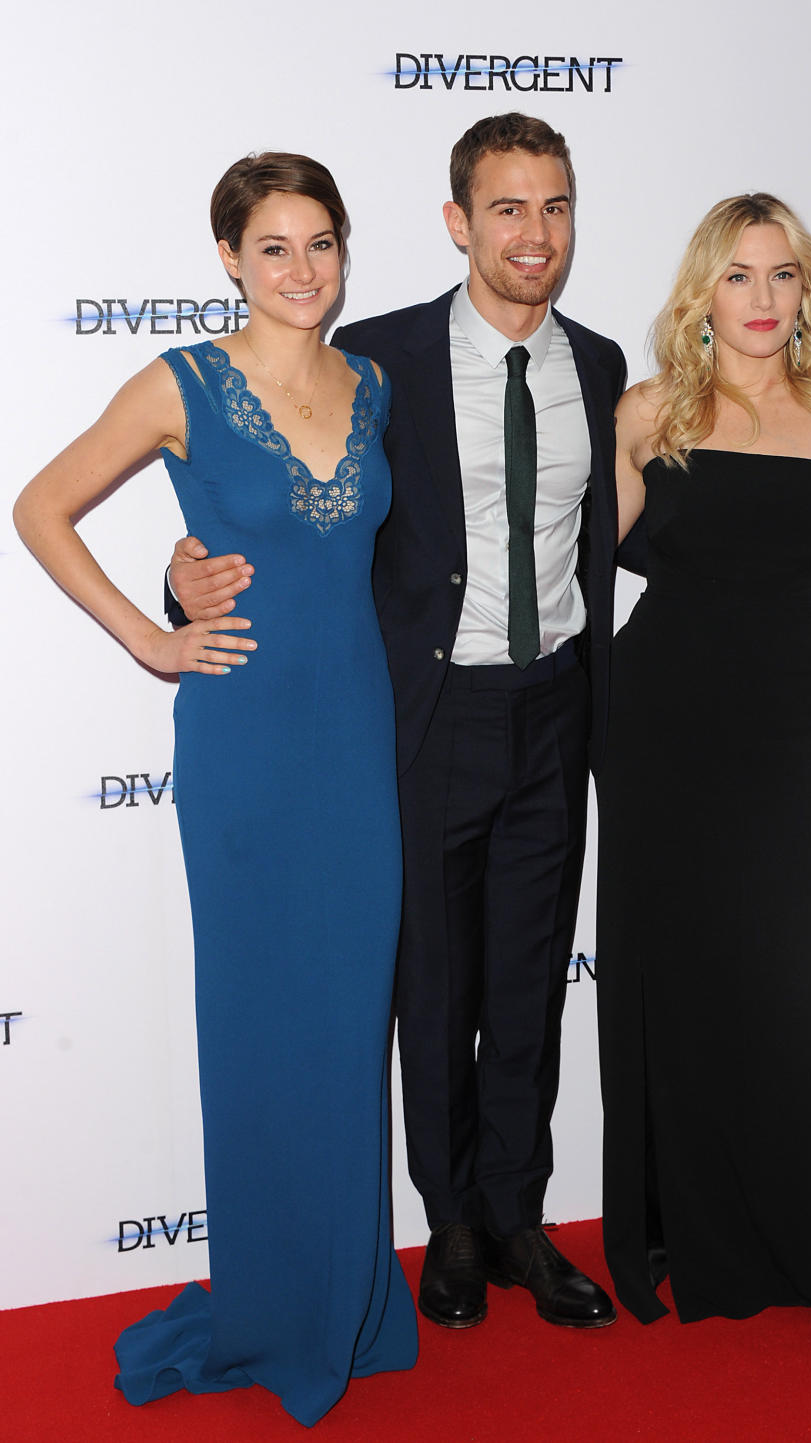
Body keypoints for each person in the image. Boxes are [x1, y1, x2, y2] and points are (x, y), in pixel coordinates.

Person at [167, 113, 647, 1332]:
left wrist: (779, 554)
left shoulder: (599, 365)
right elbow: (277, 500)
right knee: (432, 986)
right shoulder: (376, 364)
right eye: (507, 208)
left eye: (555, 207)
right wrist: (184, 581)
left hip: (557, 709)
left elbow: (632, 523)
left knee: (530, 979)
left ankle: (520, 1216)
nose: (534, 234)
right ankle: (449, 1227)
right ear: (457, 223)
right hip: (425, 713)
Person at [13, 152, 418, 1426]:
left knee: (349, 1027)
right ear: (231, 260)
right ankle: (274, 1305)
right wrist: (153, 630)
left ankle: (347, 1294)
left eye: (322, 245)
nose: (302, 271)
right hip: (244, 744)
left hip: (356, 738)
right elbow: (41, 507)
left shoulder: (375, 386)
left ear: (345, 253)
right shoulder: (182, 383)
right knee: (260, 1032)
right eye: (275, 248)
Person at [597, 192, 811, 1338]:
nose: (764, 300)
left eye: (783, 276)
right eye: (739, 276)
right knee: (679, 982)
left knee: (792, 983)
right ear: (702, 294)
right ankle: (696, 1230)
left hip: (790, 722)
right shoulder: (648, 415)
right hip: (659, 724)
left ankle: (803, 1224)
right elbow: (576, 563)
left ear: (808, 291)